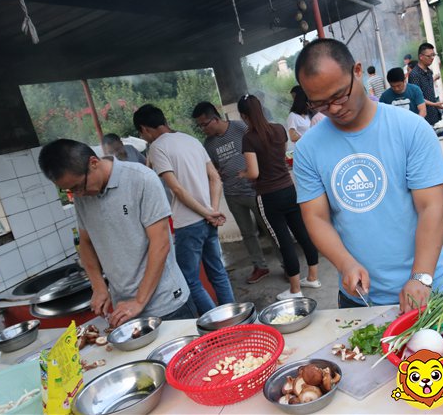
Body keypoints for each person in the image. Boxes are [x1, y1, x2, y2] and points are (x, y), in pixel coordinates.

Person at [294, 38, 443, 313]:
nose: (333, 109)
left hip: (426, 291)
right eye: (320, 104)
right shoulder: (307, 149)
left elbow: (431, 207)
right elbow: (316, 217)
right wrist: (345, 263)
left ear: (357, 71)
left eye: (339, 96)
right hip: (358, 299)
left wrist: (421, 277)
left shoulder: (411, 129)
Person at [38, 139, 196, 327]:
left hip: (167, 304)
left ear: (93, 163)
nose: (77, 194)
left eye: (78, 186)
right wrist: (98, 286)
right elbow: (86, 242)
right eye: (70, 190)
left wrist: (139, 301)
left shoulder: (141, 179)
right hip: (124, 309)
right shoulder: (83, 197)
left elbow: (161, 244)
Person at [134, 104, 235, 316]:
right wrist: (212, 210)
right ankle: (234, 318)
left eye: (141, 134)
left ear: (144, 129)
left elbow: (177, 189)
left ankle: (218, 323)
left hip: (188, 223)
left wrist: (207, 213)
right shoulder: (191, 140)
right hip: (209, 219)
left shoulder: (157, 147)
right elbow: (215, 177)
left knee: (190, 280)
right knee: (218, 272)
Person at [237, 95, 320, 300]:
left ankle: (295, 290)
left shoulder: (249, 138)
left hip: (268, 196)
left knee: (283, 241)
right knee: (302, 233)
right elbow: (280, 158)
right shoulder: (278, 129)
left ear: (243, 116)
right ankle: (312, 277)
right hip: (289, 189)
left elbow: (254, 173)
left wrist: (243, 174)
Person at [191, 101, 272, 284]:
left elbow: (258, 147)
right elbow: (214, 169)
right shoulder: (208, 144)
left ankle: (286, 264)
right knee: (248, 233)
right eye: (199, 126)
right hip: (232, 194)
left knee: (269, 228)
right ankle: (260, 266)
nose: (202, 129)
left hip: (254, 189)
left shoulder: (240, 127)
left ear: (215, 118)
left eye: (204, 124)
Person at [409, 42, 443, 126]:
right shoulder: (414, 75)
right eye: (429, 56)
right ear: (421, 57)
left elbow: (428, 90)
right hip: (424, 117)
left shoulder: (429, 71)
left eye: (433, 55)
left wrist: (436, 105)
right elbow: (417, 98)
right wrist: (435, 104)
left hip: (434, 114)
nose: (432, 58)